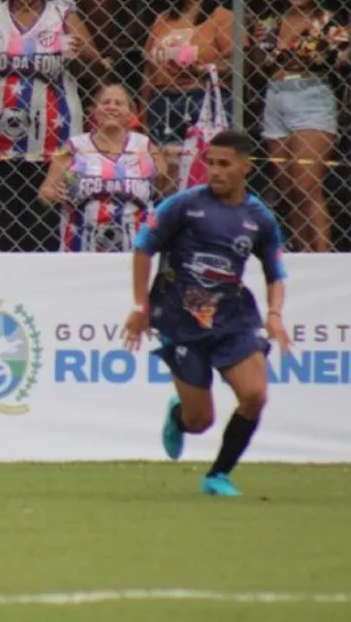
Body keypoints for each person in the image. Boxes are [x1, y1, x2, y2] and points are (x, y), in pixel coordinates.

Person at [123, 129, 290, 499]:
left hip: (233, 318)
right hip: (182, 320)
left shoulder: (259, 218)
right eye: (210, 163)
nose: (214, 171)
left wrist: (275, 312)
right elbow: (142, 248)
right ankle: (179, 415)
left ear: (246, 167)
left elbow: (275, 271)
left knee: (255, 394)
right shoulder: (183, 206)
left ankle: (218, 475)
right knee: (200, 422)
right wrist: (141, 306)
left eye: (224, 164)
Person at [38, 84, 164, 253]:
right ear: (94, 111)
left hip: (134, 249)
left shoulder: (145, 146)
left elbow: (163, 186)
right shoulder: (74, 146)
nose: (112, 107)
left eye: (119, 103)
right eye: (105, 102)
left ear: (130, 113)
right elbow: (44, 192)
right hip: (79, 247)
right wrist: (53, 194)